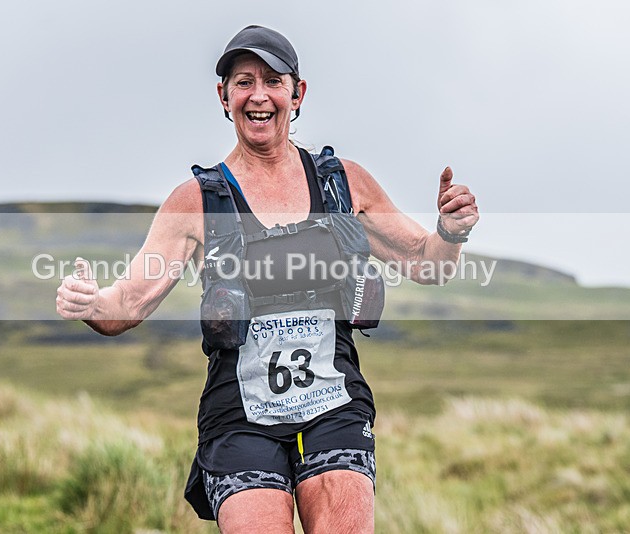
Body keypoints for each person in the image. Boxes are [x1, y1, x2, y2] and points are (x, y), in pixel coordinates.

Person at [56, 24, 478, 533]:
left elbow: (427, 264)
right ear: (224, 96)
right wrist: (91, 302)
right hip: (239, 417)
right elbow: (130, 300)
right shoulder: (196, 201)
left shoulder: (343, 182)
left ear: (297, 93)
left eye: (273, 81)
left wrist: (450, 232)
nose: (259, 95)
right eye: (243, 82)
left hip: (334, 406)